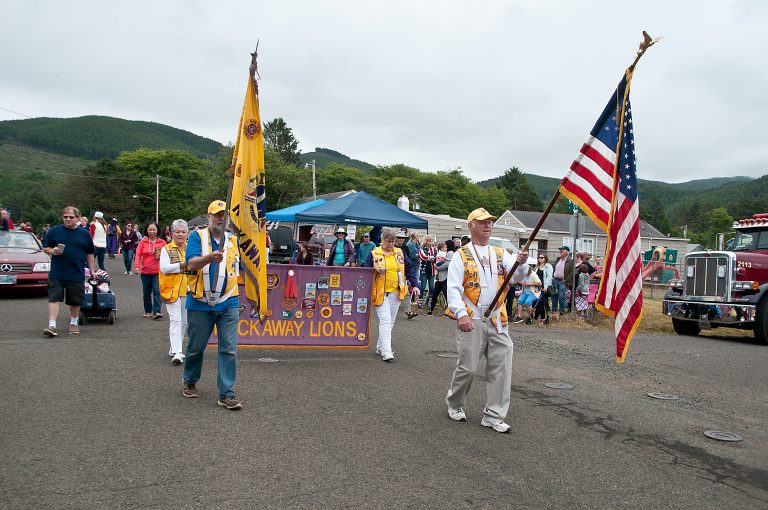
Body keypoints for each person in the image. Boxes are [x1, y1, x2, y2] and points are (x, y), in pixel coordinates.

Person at [445, 207, 528, 433]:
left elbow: (517, 276)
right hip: (472, 317)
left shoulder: (500, 253)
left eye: (490, 222)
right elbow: (452, 288)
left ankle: (493, 414)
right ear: (471, 225)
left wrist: (522, 263)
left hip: (497, 318)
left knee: (501, 366)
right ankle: (454, 402)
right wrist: (461, 314)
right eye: (482, 222)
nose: (488, 226)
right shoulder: (461, 255)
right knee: (469, 367)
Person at [182, 200, 243, 410]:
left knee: (228, 349)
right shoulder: (196, 237)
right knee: (196, 347)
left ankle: (226, 393)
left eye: (223, 215)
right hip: (200, 301)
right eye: (216, 214)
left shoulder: (233, 241)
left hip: (229, 301)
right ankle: (190, 379)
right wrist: (209, 258)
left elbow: (239, 269)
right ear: (208, 217)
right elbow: (191, 263)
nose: (220, 218)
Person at [364, 227, 419, 361]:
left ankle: (380, 346)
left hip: (396, 292)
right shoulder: (374, 253)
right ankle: (386, 351)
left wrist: (415, 285)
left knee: (391, 322)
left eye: (392, 241)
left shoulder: (399, 253)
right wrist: (375, 269)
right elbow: (364, 270)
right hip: (380, 293)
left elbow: (409, 268)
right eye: (388, 241)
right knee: (385, 321)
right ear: (382, 240)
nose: (390, 244)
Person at [40, 206, 97, 336]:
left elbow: (89, 253)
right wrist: (51, 250)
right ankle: (52, 326)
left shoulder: (84, 234)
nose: (68, 219)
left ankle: (73, 323)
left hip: (76, 272)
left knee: (75, 300)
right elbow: (45, 247)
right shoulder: (54, 231)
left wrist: (92, 270)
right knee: (54, 298)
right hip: (57, 272)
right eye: (65, 217)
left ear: (77, 218)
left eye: (71, 217)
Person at [159, 219, 190, 365]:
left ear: (187, 233)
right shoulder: (166, 249)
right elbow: (165, 268)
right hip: (171, 290)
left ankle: (174, 347)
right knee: (176, 320)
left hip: (187, 290)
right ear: (171, 233)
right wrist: (182, 266)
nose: (180, 234)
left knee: (184, 321)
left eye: (183, 232)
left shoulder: (191, 248)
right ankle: (178, 352)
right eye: (177, 232)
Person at [135, 222, 166, 319]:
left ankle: (157, 311)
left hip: (158, 271)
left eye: (154, 230)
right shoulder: (143, 242)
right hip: (145, 271)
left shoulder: (162, 242)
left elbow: (167, 255)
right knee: (146, 292)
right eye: (150, 230)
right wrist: (137, 267)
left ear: (157, 231)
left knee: (157, 290)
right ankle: (148, 311)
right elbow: (138, 254)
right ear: (147, 231)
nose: (152, 232)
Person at [394, 231, 419, 319]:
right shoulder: (392, 247)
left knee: (406, 291)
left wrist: (412, 280)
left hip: (402, 273)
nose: (401, 239)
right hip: (391, 274)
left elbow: (408, 262)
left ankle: (409, 311)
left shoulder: (405, 248)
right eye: (399, 237)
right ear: (395, 238)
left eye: (403, 238)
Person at [427, 240, 455, 316]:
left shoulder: (450, 253)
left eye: (446, 245)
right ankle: (431, 311)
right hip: (441, 278)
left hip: (445, 277)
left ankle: (450, 313)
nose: (445, 247)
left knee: (446, 296)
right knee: (435, 295)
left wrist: (438, 267)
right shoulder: (447, 253)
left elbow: (448, 264)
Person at [551, 246, 573, 316]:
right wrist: (553, 276)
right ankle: (554, 310)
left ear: (567, 252)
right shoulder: (557, 259)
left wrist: (566, 280)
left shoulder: (571, 261)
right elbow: (554, 268)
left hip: (562, 281)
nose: (560, 252)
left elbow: (572, 273)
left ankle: (561, 311)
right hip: (555, 280)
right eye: (560, 251)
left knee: (561, 296)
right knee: (554, 296)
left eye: (561, 251)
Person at [418, 236, 437, 307]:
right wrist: (430, 258)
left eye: (431, 240)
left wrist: (429, 258)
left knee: (431, 287)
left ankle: (430, 302)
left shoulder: (434, 249)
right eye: (429, 240)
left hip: (432, 270)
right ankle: (420, 302)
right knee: (422, 286)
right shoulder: (422, 249)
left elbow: (436, 258)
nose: (431, 241)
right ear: (426, 241)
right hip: (424, 270)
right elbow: (423, 257)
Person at [536, 253, 554, 319]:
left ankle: (545, 317)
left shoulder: (548, 266)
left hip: (544, 287)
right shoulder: (537, 267)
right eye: (539, 257)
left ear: (545, 258)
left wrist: (546, 287)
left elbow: (549, 277)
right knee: (537, 302)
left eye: (541, 257)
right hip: (537, 287)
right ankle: (537, 316)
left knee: (544, 302)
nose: (539, 259)